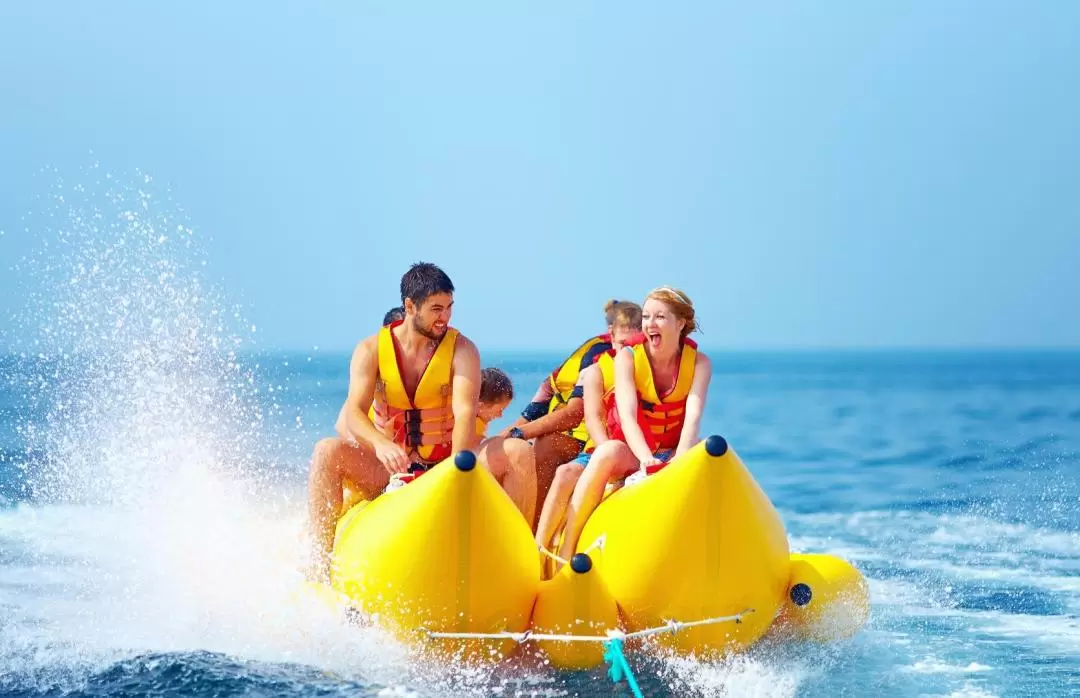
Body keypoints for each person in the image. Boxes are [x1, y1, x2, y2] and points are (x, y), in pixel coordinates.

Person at [306, 262, 536, 580]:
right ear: (410, 306)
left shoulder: (463, 350)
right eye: (436, 309)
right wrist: (381, 444)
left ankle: (515, 566)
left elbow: (466, 412)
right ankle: (320, 565)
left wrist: (458, 470)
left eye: (450, 308)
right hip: (388, 468)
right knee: (326, 451)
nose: (445, 317)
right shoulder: (370, 350)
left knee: (519, 453)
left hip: (443, 464)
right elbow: (354, 413)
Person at [551, 287, 712, 567]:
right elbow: (627, 415)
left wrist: (679, 462)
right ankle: (566, 554)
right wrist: (645, 460)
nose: (650, 323)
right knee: (607, 451)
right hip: (633, 451)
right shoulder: (627, 357)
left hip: (673, 451)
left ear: (680, 323)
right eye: (647, 316)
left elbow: (693, 418)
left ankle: (710, 555)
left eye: (660, 317)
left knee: (710, 450)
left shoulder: (700, 363)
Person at [501, 300, 632, 526]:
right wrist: (504, 436)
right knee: (507, 451)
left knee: (546, 446)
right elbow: (537, 406)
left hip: (587, 440)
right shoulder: (586, 352)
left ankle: (531, 532)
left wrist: (520, 433)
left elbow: (574, 413)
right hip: (578, 436)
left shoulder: (605, 354)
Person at [534, 301, 642, 560]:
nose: (627, 350)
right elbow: (593, 418)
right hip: (605, 448)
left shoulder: (647, 370)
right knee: (564, 473)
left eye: (633, 344)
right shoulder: (596, 371)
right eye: (621, 344)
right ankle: (539, 552)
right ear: (610, 336)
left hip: (640, 450)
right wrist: (604, 453)